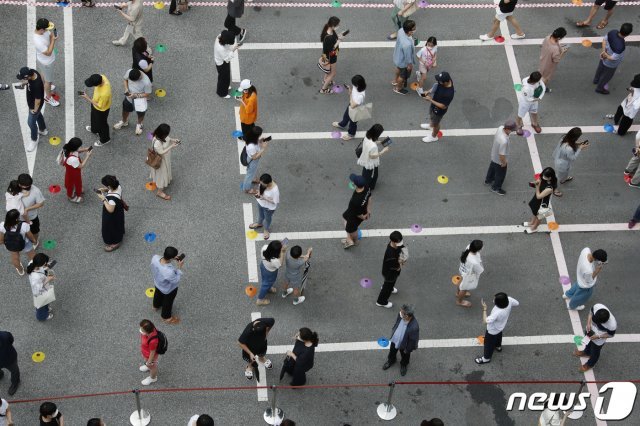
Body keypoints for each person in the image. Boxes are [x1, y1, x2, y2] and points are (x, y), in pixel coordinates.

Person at [475, 292, 519, 364]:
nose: (493, 300)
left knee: (488, 344)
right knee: (498, 336)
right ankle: (498, 346)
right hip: (501, 327)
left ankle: (486, 358)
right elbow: (517, 303)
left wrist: (484, 309)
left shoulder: (497, 313)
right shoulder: (509, 300)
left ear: (498, 304)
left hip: (492, 330)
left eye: (494, 299)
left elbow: (485, 321)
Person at [575, 304, 617, 372]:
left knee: (595, 352)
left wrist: (598, 336)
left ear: (604, 322)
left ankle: (590, 364)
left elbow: (611, 335)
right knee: (588, 343)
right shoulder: (597, 306)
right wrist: (589, 323)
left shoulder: (612, 325)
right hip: (590, 330)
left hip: (599, 339)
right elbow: (590, 313)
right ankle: (586, 352)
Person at [593, 23, 632, 95]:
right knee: (606, 76)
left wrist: (604, 52)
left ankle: (596, 80)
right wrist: (607, 56)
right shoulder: (621, 46)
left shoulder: (613, 32)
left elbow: (604, 40)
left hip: (603, 56)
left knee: (600, 69)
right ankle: (600, 88)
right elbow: (613, 58)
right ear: (628, 34)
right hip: (611, 65)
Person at [112, 69, 152, 136]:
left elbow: (147, 93)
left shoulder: (146, 82)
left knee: (141, 113)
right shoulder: (130, 72)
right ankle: (124, 121)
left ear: (139, 78)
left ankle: (139, 124)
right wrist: (126, 88)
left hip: (140, 101)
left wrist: (136, 95)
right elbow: (125, 80)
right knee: (125, 110)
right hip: (129, 98)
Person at [382, 304, 419, 376]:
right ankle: (391, 360)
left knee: (405, 355)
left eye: (402, 312)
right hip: (395, 339)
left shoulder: (414, 327)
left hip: (404, 344)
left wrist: (408, 349)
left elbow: (412, 341)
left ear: (407, 316)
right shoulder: (400, 315)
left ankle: (404, 364)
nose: (400, 313)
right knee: (392, 351)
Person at [16, 67, 47, 152]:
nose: (22, 79)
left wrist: (34, 109)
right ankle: (43, 129)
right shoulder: (33, 72)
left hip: (34, 105)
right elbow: (41, 76)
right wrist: (25, 83)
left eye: (23, 78)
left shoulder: (36, 86)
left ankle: (34, 139)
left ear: (28, 77)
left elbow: (38, 100)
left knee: (30, 122)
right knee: (38, 116)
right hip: (35, 104)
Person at [151, 246, 184, 324]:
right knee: (168, 302)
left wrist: (171, 257)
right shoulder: (168, 271)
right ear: (172, 258)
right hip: (168, 289)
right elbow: (175, 280)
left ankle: (155, 306)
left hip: (157, 283)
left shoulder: (155, 257)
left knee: (157, 294)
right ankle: (166, 317)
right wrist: (179, 268)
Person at [376, 231, 409, 308]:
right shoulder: (390, 254)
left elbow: (401, 248)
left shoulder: (393, 245)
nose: (400, 244)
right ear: (393, 242)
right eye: (398, 243)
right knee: (387, 287)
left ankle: (388, 288)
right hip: (390, 273)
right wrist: (401, 263)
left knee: (389, 284)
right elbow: (396, 267)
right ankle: (381, 301)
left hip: (389, 271)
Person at [149, 123, 181, 201]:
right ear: (162, 134)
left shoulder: (156, 135)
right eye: (166, 134)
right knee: (162, 176)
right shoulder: (157, 143)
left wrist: (173, 140)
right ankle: (160, 192)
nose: (167, 135)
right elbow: (161, 152)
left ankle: (159, 182)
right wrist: (171, 146)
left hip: (161, 158)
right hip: (161, 160)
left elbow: (167, 139)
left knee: (160, 174)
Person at [485, 120, 517, 195]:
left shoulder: (500, 128)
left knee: (492, 167)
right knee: (501, 174)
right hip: (499, 160)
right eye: (512, 130)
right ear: (507, 129)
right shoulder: (504, 141)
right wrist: (504, 163)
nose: (512, 131)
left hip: (494, 154)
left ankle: (488, 180)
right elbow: (502, 155)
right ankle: (496, 188)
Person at [421, 71, 454, 143]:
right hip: (434, 105)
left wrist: (430, 100)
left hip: (438, 110)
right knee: (432, 116)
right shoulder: (446, 80)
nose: (438, 81)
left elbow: (443, 106)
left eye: (440, 81)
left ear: (445, 82)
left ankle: (433, 136)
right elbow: (436, 85)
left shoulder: (449, 94)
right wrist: (428, 91)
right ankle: (431, 125)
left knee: (436, 124)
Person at [1, 210, 37, 276]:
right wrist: (34, 241)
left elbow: (1, 239)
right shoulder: (24, 225)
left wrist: (7, 243)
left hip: (11, 245)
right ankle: (36, 268)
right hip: (25, 243)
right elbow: (30, 236)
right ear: (17, 219)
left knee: (15, 258)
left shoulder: (2, 225)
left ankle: (20, 270)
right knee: (32, 256)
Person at [33, 18, 60, 107]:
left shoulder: (42, 31)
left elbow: (50, 35)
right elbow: (48, 53)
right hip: (47, 62)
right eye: (46, 29)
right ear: (41, 29)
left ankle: (44, 85)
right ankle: (48, 98)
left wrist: (52, 36)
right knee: (48, 81)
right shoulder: (38, 41)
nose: (48, 31)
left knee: (44, 74)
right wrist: (53, 40)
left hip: (43, 61)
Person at [552, 127, 588, 194]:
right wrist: (580, 148)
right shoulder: (569, 149)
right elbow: (573, 158)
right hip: (562, 164)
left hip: (562, 161)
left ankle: (564, 179)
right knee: (558, 176)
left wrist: (578, 143)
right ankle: (554, 189)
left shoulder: (565, 137)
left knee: (565, 173)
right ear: (574, 138)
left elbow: (571, 143)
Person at [332, 74, 366, 141]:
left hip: (356, 110)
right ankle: (342, 124)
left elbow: (353, 105)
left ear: (357, 85)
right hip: (351, 105)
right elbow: (352, 99)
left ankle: (351, 134)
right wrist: (350, 89)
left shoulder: (360, 96)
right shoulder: (356, 86)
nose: (352, 85)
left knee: (353, 123)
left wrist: (350, 94)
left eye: (353, 84)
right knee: (346, 116)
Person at [81, 74, 112, 147]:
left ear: (97, 84)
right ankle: (94, 129)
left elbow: (100, 106)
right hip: (95, 105)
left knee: (102, 124)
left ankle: (105, 139)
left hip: (102, 110)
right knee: (94, 118)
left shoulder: (105, 93)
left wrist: (87, 97)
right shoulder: (101, 77)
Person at [523, 167, 557, 234]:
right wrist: (535, 182)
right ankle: (532, 222)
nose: (542, 177)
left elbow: (539, 196)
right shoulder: (542, 177)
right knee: (534, 211)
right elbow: (539, 180)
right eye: (543, 175)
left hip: (543, 203)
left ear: (550, 178)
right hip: (537, 200)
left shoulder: (549, 188)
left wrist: (537, 186)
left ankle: (534, 227)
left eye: (545, 176)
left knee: (540, 216)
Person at [96, 175, 125, 252]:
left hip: (112, 215)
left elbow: (110, 209)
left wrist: (103, 199)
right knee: (118, 223)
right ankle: (119, 235)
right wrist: (105, 190)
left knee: (110, 227)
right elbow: (112, 189)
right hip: (118, 211)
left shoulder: (112, 199)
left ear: (109, 186)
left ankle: (115, 243)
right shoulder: (118, 186)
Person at [342, 174, 371, 249]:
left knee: (352, 229)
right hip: (362, 210)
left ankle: (354, 241)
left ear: (355, 184)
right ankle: (349, 238)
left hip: (355, 215)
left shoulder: (355, 200)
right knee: (344, 217)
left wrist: (363, 217)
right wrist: (368, 211)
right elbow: (369, 198)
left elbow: (358, 214)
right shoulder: (367, 187)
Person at [357, 124, 390, 191]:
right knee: (372, 175)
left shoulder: (367, 135)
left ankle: (367, 184)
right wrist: (383, 151)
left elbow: (372, 142)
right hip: (370, 162)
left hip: (365, 156)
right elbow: (372, 156)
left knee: (367, 172)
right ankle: (368, 187)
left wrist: (380, 142)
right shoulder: (373, 147)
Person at [61, 137, 93, 203]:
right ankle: (71, 197)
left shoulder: (67, 148)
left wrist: (85, 149)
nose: (80, 147)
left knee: (77, 182)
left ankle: (77, 189)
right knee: (71, 185)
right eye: (79, 146)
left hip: (71, 171)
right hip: (73, 173)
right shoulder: (73, 159)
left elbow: (77, 151)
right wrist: (88, 156)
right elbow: (81, 166)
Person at [249, 174, 280, 240]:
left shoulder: (275, 190)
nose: (261, 184)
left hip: (268, 208)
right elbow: (260, 189)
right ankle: (259, 223)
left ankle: (266, 230)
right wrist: (258, 193)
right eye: (260, 182)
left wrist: (264, 198)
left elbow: (275, 202)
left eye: (262, 183)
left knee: (267, 219)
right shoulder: (263, 183)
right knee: (260, 215)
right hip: (260, 203)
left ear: (268, 183)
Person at [255, 240, 285, 306]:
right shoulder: (275, 261)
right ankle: (260, 300)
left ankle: (268, 288)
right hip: (270, 273)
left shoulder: (264, 248)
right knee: (265, 285)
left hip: (263, 266)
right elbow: (280, 264)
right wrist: (282, 252)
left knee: (265, 280)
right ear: (276, 252)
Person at [538, 28, 569, 92]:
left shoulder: (548, 37)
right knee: (546, 78)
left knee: (541, 72)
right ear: (559, 38)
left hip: (543, 59)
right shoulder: (555, 49)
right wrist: (563, 52)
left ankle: (539, 82)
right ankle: (542, 88)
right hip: (549, 65)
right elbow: (556, 60)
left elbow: (542, 45)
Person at [319, 17, 344, 94]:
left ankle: (325, 80)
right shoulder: (329, 37)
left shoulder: (329, 30)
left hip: (326, 55)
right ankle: (324, 89)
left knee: (328, 71)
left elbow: (334, 39)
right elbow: (332, 49)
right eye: (337, 25)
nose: (339, 25)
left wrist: (339, 36)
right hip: (331, 57)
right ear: (333, 26)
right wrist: (339, 41)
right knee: (333, 73)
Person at [27, 253, 55, 321]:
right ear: (41, 264)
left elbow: (41, 269)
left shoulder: (32, 262)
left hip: (43, 290)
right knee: (41, 306)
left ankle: (46, 308)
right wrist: (48, 279)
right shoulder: (36, 277)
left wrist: (46, 268)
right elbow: (38, 288)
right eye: (45, 263)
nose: (46, 264)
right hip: (40, 293)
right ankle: (42, 316)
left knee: (45, 302)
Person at [18, 174, 45, 245]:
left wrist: (27, 209)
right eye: (26, 186)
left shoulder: (36, 191)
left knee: (35, 231)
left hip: (32, 217)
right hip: (17, 218)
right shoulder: (14, 188)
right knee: (21, 231)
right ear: (19, 184)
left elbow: (41, 203)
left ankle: (35, 242)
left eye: (29, 185)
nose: (28, 187)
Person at [456, 240, 484, 307]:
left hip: (463, 270)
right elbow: (479, 270)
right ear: (479, 249)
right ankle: (460, 301)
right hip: (467, 275)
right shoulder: (474, 262)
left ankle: (458, 293)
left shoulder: (468, 247)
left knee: (461, 284)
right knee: (464, 289)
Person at [241, 127, 269, 194]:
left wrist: (259, 141)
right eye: (259, 135)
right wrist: (263, 148)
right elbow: (254, 157)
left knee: (250, 172)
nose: (260, 135)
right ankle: (247, 189)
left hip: (250, 157)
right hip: (252, 160)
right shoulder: (251, 147)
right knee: (250, 174)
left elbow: (255, 143)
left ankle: (252, 179)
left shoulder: (250, 137)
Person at [392, 20, 416, 95]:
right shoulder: (407, 45)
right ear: (409, 32)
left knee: (398, 68)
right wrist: (409, 65)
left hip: (398, 57)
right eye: (414, 28)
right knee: (403, 76)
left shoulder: (401, 30)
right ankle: (398, 88)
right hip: (404, 62)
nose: (415, 29)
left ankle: (395, 81)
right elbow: (408, 57)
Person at [214, 31, 239, 99]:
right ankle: (222, 93)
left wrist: (232, 47)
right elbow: (227, 58)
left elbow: (227, 47)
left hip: (222, 61)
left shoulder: (219, 37)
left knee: (226, 76)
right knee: (223, 79)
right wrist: (233, 49)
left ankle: (226, 87)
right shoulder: (220, 49)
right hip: (221, 63)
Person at [139, 319, 161, 386]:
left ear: (147, 331)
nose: (140, 330)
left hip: (150, 356)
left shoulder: (153, 341)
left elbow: (152, 352)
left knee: (152, 366)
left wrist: (149, 361)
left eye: (142, 329)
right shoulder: (149, 331)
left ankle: (153, 378)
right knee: (147, 363)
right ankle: (148, 366)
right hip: (146, 353)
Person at [0, 330, 20, 396]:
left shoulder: (5, 335)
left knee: (14, 371)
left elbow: (10, 340)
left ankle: (15, 382)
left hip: (9, 359)